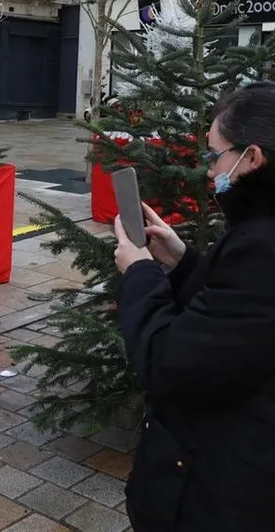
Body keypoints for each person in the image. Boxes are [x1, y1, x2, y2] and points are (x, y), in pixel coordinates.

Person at [113, 81, 275, 531]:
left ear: (253, 158)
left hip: (227, 489)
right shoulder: (258, 233)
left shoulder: (262, 247)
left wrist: (140, 272)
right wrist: (182, 260)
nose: (209, 171)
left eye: (215, 155)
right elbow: (236, 319)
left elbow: (171, 364)